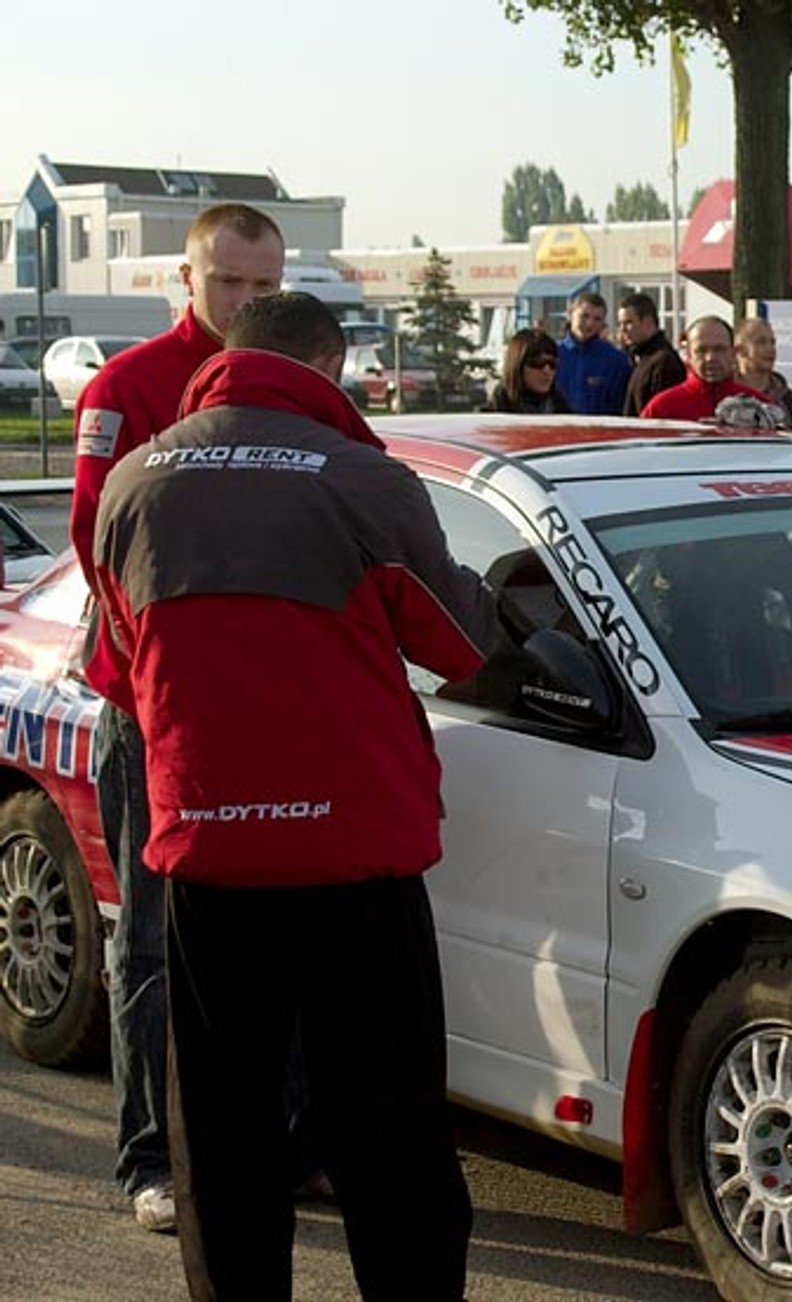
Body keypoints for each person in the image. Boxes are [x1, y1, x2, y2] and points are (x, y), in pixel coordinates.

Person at [91, 291, 498, 1299]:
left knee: (223, 1135)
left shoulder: (133, 482)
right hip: (354, 852)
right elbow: (460, 645)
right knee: (385, 1126)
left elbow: (125, 657)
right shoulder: (364, 480)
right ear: (328, 368)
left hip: (208, 850)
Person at [68, 201, 286, 1234]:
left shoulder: (300, 391)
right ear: (187, 281)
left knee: (272, 940)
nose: (245, 304)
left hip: (266, 716)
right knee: (151, 944)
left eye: (264, 288)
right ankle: (149, 1158)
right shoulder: (129, 388)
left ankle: (275, 1145)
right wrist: (161, 686)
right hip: (152, 714)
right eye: (228, 283)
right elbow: (94, 548)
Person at [640, 316, 768, 420]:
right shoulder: (662, 409)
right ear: (688, 356)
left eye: (719, 349)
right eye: (701, 350)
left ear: (733, 353)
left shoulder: (760, 408)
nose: (710, 358)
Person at [555, 290, 631, 414]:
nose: (589, 324)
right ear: (570, 314)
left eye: (597, 319)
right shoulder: (552, 356)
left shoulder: (616, 361)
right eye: (584, 316)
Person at [620, 292, 688, 416]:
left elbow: (663, 412)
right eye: (621, 324)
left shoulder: (663, 362)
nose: (623, 330)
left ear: (648, 322)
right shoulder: (641, 358)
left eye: (628, 323)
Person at [734, 316, 792, 425]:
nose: (770, 349)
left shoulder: (791, 400)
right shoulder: (723, 395)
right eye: (761, 342)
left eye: (772, 342)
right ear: (740, 350)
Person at [484, 328, 571, 414]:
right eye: (538, 363)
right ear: (518, 366)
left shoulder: (561, 408)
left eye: (553, 363)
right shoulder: (495, 412)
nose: (547, 370)